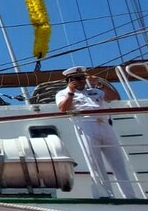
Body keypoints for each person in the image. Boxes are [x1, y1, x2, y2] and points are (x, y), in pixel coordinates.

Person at [56, 66, 136, 199]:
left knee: (118, 163)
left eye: (82, 78)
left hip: (105, 125)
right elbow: (63, 109)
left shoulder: (95, 91)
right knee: (95, 164)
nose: (81, 81)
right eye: (77, 79)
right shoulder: (62, 94)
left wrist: (99, 84)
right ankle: (106, 195)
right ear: (69, 80)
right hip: (86, 126)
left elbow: (113, 97)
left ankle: (129, 195)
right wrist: (70, 92)